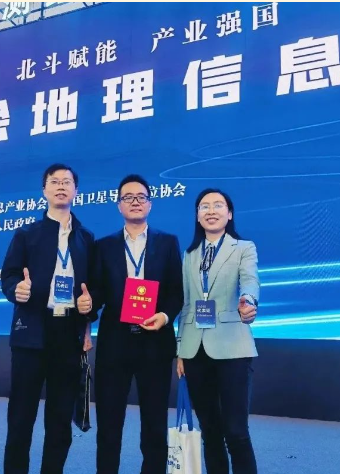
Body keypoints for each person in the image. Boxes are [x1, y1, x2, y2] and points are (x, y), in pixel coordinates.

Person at [1, 163, 96, 474]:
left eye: (67, 182)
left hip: (67, 335)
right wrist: (17, 289)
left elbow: (93, 289)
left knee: (59, 421)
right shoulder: (26, 234)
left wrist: (89, 309)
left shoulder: (86, 238)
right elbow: (9, 275)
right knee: (20, 418)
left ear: (76, 191)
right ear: (44, 190)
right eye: (54, 181)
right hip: (31, 332)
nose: (61, 186)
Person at [87, 174, 184, 474]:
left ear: (150, 204)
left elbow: (176, 291)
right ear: (119, 206)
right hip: (114, 343)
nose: (135, 202)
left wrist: (164, 316)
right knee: (109, 423)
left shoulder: (168, 243)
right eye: (128, 197)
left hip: (155, 342)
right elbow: (98, 292)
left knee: (154, 423)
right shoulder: (103, 246)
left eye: (141, 197)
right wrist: (88, 304)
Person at [176, 188, 260, 474]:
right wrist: (180, 350)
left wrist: (249, 300)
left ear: (230, 213)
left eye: (218, 205)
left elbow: (250, 281)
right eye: (204, 206)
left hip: (233, 347)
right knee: (210, 430)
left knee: (236, 431)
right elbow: (186, 304)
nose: (211, 211)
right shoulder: (189, 255)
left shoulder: (243, 248)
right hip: (194, 350)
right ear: (197, 216)